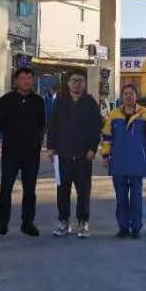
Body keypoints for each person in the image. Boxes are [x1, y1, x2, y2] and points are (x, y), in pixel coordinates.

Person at [45, 71, 103, 237]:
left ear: (84, 84)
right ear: (68, 83)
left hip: (83, 156)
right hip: (62, 155)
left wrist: (93, 148)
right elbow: (52, 125)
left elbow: (96, 127)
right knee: (62, 190)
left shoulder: (90, 103)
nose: (77, 83)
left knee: (83, 191)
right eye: (74, 80)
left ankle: (83, 223)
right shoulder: (60, 101)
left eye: (80, 80)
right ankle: (64, 222)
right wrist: (50, 147)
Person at [100, 83, 146, 238]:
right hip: (118, 161)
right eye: (125, 93)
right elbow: (106, 137)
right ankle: (123, 227)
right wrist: (105, 156)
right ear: (122, 96)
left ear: (136, 96)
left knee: (136, 198)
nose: (128, 96)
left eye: (131, 93)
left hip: (137, 161)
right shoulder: (113, 115)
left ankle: (136, 227)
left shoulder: (145, 114)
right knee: (121, 197)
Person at [0, 67, 46, 236]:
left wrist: (35, 141)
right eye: (23, 78)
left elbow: (42, 124)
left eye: (29, 78)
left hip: (32, 153)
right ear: (16, 81)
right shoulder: (6, 100)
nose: (26, 81)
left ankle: (27, 223)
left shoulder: (38, 101)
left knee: (30, 190)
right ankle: (3, 223)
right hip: (11, 152)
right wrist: (13, 134)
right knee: (6, 188)